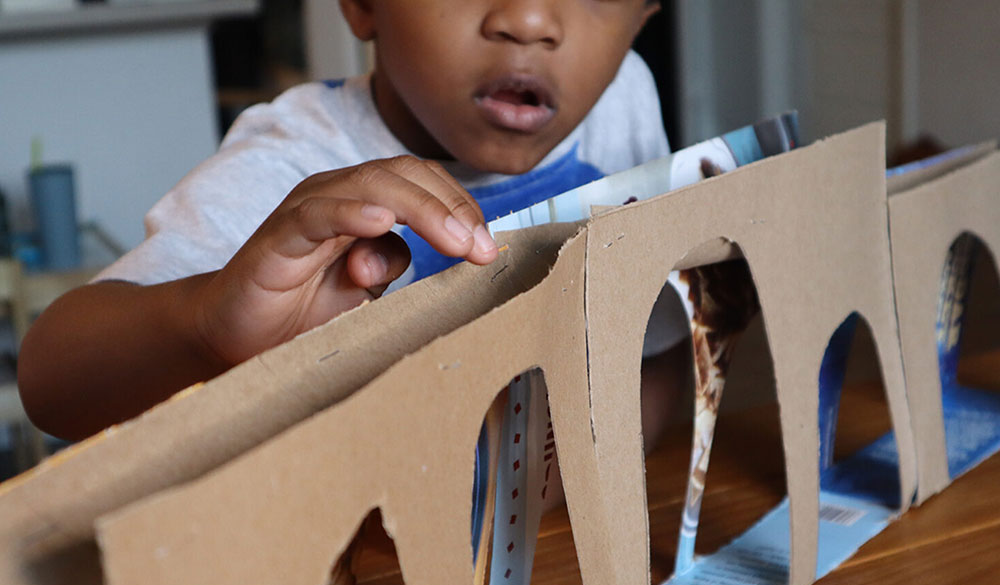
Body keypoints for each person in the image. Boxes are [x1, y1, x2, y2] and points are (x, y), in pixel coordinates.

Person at [18, 0, 687, 444]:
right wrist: (205, 322)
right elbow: (50, 381)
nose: (533, 19)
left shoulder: (620, 98)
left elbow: (654, 356)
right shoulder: (297, 168)